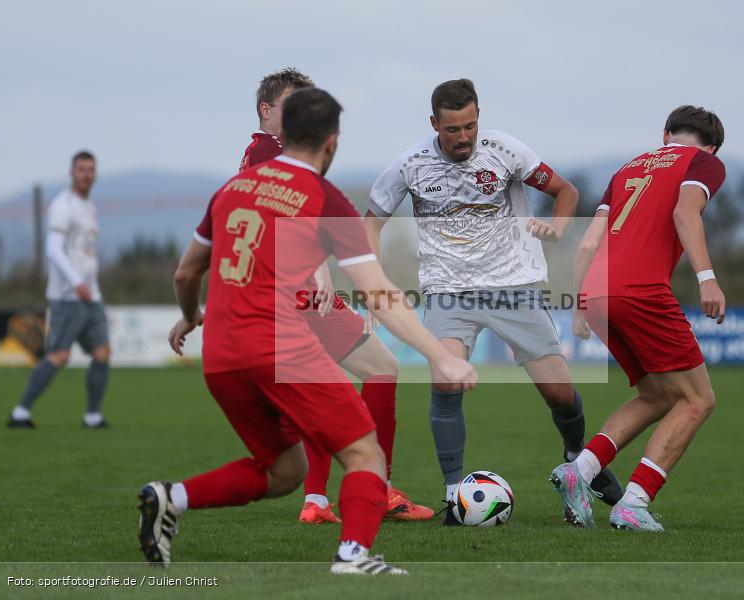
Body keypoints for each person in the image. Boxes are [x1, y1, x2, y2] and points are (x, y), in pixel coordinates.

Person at [137, 88, 477, 574]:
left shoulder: (231, 191)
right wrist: (439, 355)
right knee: (366, 456)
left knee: (283, 472)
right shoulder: (325, 198)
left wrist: (191, 316)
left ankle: (172, 497)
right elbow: (377, 292)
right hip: (280, 342)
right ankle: (353, 555)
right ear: (332, 143)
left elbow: (185, 274)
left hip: (221, 354)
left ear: (285, 132)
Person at [364, 79, 621, 525]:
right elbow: (369, 224)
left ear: (478, 117)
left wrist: (559, 227)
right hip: (448, 291)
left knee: (560, 393)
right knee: (445, 383)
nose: (463, 137)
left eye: (470, 126)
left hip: (515, 285)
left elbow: (566, 192)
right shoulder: (410, 165)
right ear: (434, 124)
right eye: (452, 129)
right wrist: (372, 283)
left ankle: (579, 461)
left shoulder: (504, 151)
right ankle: (453, 498)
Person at [240, 68, 433, 523]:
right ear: (267, 111)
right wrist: (318, 271)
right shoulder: (273, 150)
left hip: (276, 294)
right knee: (383, 369)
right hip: (297, 293)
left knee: (328, 389)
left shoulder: (259, 152)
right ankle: (378, 490)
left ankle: (315, 502)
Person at [551, 105, 727, 531]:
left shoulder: (627, 170)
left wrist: (578, 305)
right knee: (698, 399)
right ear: (715, 146)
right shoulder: (705, 162)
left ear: (665, 135)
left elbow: (589, 243)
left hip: (598, 289)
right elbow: (684, 214)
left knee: (657, 395)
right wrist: (707, 278)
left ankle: (580, 471)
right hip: (641, 289)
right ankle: (634, 502)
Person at [7, 151, 111, 430]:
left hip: (91, 295)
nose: (86, 174)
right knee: (59, 355)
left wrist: (92, 288)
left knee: (102, 352)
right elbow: (53, 248)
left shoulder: (88, 207)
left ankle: (92, 417)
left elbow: (86, 253)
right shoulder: (63, 205)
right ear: (71, 173)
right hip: (67, 296)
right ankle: (19, 412)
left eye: (91, 169)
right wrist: (76, 281)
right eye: (81, 169)